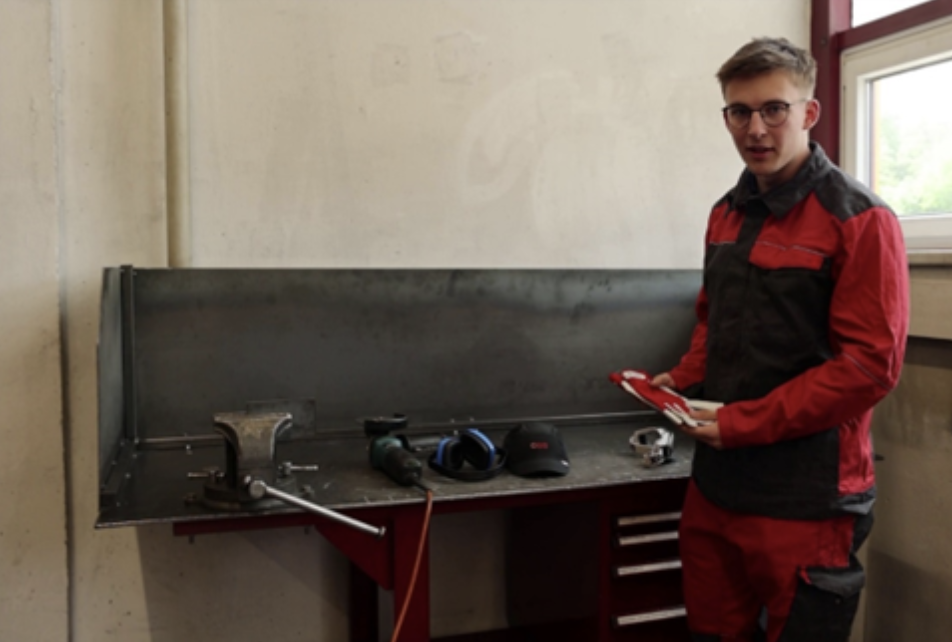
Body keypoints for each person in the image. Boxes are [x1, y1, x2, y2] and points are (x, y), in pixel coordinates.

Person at [651, 37, 909, 642]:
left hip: (805, 498)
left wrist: (742, 424)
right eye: (739, 112)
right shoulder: (726, 213)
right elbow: (714, 320)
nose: (755, 129)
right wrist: (681, 378)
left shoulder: (860, 219)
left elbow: (869, 368)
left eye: (774, 109)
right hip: (717, 487)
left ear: (808, 112)